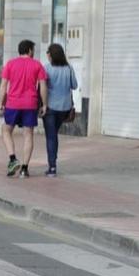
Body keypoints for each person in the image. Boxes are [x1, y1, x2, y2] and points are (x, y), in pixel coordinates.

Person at [0, 39, 47, 178]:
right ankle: (25, 169)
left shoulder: (10, 64)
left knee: (6, 130)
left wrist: (1, 102)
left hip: (12, 104)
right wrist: (44, 104)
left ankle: (13, 159)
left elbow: (3, 85)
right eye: (33, 50)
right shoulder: (37, 65)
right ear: (30, 50)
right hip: (30, 104)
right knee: (28, 134)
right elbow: (43, 86)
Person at [43, 43, 77, 177]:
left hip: (50, 107)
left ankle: (52, 166)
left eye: (48, 52)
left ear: (51, 55)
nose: (47, 55)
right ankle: (53, 161)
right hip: (65, 107)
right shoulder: (69, 68)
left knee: (51, 136)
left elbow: (42, 87)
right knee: (54, 134)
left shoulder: (47, 69)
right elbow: (74, 85)